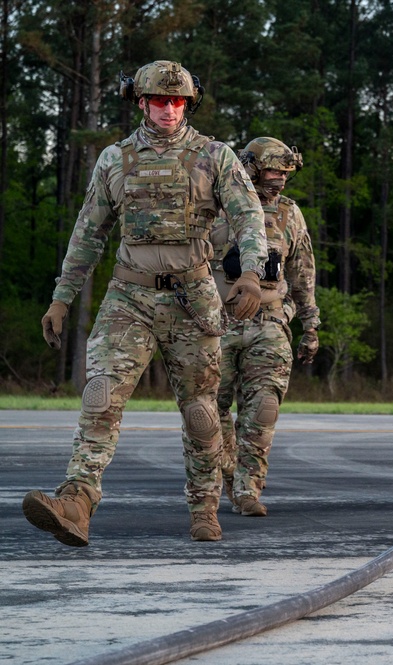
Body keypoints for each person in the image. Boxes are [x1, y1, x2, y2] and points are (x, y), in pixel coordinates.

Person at [23, 60, 267, 546]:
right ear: (141, 102)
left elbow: (249, 216)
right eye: (159, 100)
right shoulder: (115, 159)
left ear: (189, 103)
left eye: (178, 101)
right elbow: (88, 231)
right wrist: (61, 297)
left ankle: (204, 505)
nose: (169, 110)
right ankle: (77, 499)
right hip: (128, 295)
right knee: (101, 395)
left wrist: (252, 275)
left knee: (201, 411)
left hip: (193, 296)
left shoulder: (215, 156)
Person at [209, 137, 320, 517]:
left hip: (270, 320)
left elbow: (303, 272)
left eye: (286, 174)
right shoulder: (216, 206)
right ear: (253, 168)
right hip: (217, 321)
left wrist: (311, 325)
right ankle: (226, 471)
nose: (280, 181)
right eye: (274, 171)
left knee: (264, 407)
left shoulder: (290, 214)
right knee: (210, 408)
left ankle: (247, 488)